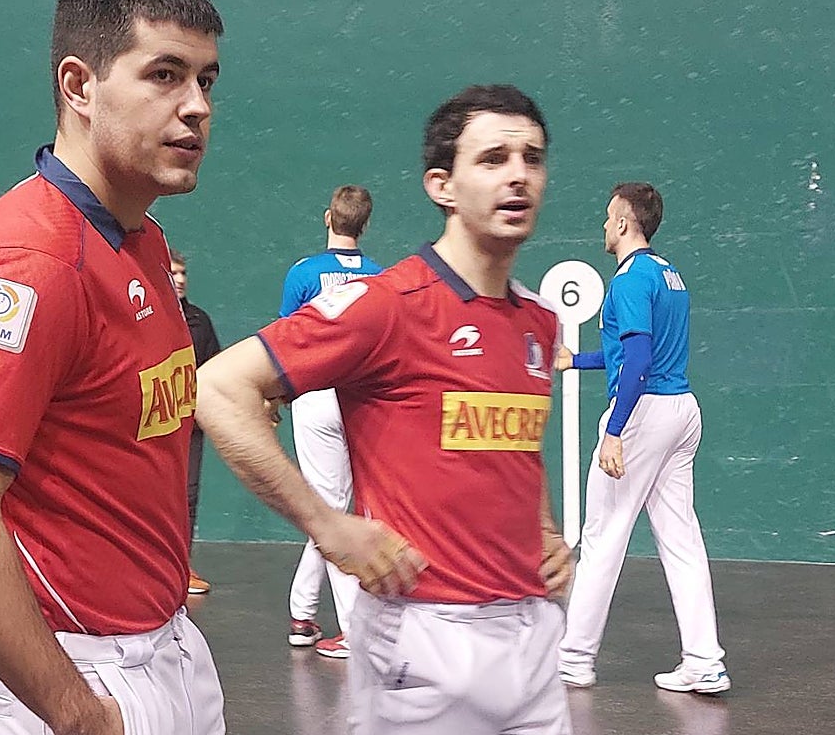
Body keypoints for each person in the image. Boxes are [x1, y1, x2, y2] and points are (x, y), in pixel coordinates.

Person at [0, 0, 227, 735]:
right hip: (79, 674)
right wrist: (77, 714)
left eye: (207, 80)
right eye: (165, 75)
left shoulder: (142, 240)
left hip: (165, 648)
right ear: (79, 86)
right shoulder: (33, 265)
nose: (197, 106)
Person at [196, 85, 575, 735]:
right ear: (442, 186)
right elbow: (218, 388)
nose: (518, 175)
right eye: (492, 159)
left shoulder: (538, 320)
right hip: (423, 640)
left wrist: (544, 529)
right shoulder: (388, 304)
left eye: (532, 158)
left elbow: (517, 442)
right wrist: (327, 526)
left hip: (534, 636)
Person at [555, 182, 729, 694]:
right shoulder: (668, 274)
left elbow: (638, 360)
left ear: (624, 223)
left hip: (643, 414)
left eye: (608, 217)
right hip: (682, 412)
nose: (603, 225)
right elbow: (631, 353)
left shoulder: (630, 280)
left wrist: (615, 431)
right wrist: (576, 360)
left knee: (602, 536)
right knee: (681, 539)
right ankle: (705, 661)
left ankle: (573, 659)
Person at [280, 185, 383, 659]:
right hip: (359, 402)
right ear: (365, 225)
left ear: (329, 218)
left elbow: (285, 339)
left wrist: (275, 395)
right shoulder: (379, 276)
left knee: (330, 513)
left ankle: (338, 625)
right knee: (336, 508)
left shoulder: (303, 273)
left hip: (314, 397)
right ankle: (305, 614)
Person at [170, 248, 222, 596]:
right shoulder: (145, 315)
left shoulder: (199, 321)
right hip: (150, 423)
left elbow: (214, 368)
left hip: (190, 425)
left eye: (183, 273)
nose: (180, 280)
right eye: (173, 273)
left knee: (186, 496)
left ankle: (181, 568)